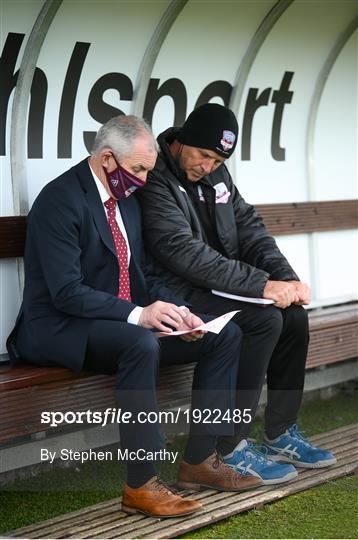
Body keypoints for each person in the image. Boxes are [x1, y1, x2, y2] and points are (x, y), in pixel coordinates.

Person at [6, 115, 262, 518]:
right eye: (138, 169)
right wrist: (139, 314)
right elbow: (66, 293)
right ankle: (141, 484)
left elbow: (138, 276)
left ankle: (199, 461)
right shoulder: (60, 199)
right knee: (139, 342)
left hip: (115, 321)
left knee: (223, 336)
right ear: (108, 158)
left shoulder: (125, 201)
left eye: (147, 169)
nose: (143, 179)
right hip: (57, 327)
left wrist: (179, 312)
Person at [136, 103, 337, 485]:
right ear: (181, 142)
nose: (208, 167)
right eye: (203, 156)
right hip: (172, 290)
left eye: (218, 160)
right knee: (262, 320)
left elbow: (249, 229)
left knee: (293, 315)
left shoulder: (217, 173)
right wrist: (261, 286)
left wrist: (287, 280)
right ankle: (231, 444)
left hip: (217, 284)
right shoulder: (156, 177)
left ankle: (280, 433)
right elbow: (182, 251)